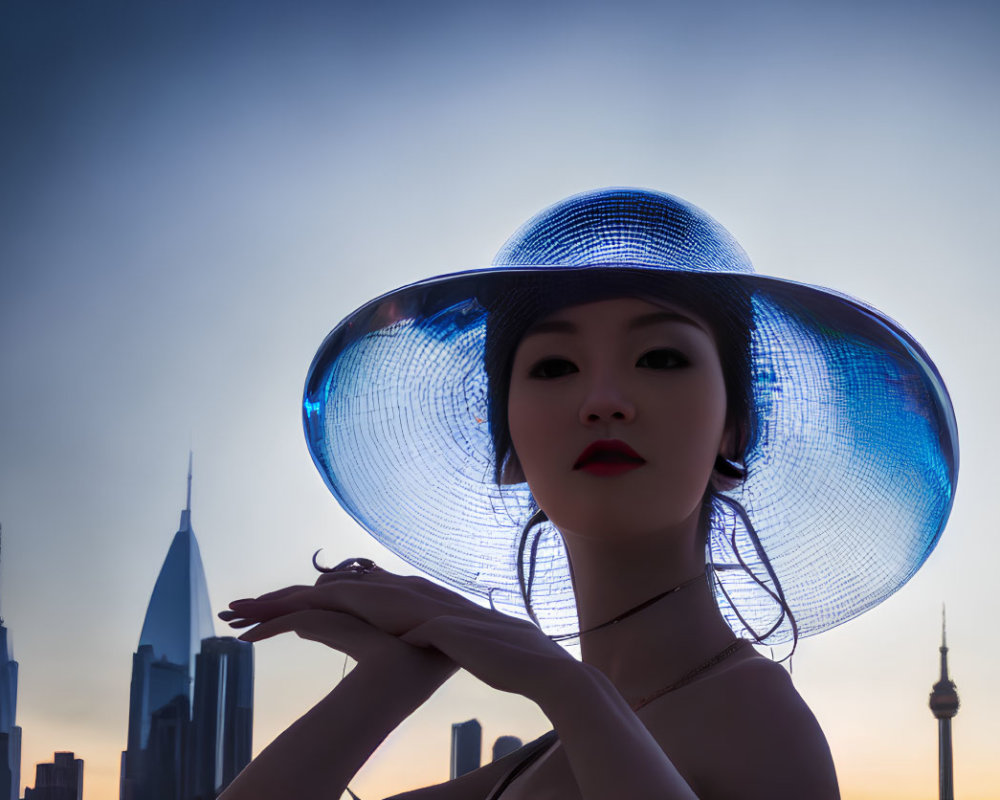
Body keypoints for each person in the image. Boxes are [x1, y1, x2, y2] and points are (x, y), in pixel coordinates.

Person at [218, 189, 958, 799]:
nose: (603, 400)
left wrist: (564, 684)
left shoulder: (754, 715)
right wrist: (390, 678)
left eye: (660, 357)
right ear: (506, 446)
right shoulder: (537, 760)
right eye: (552, 367)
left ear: (734, 427)